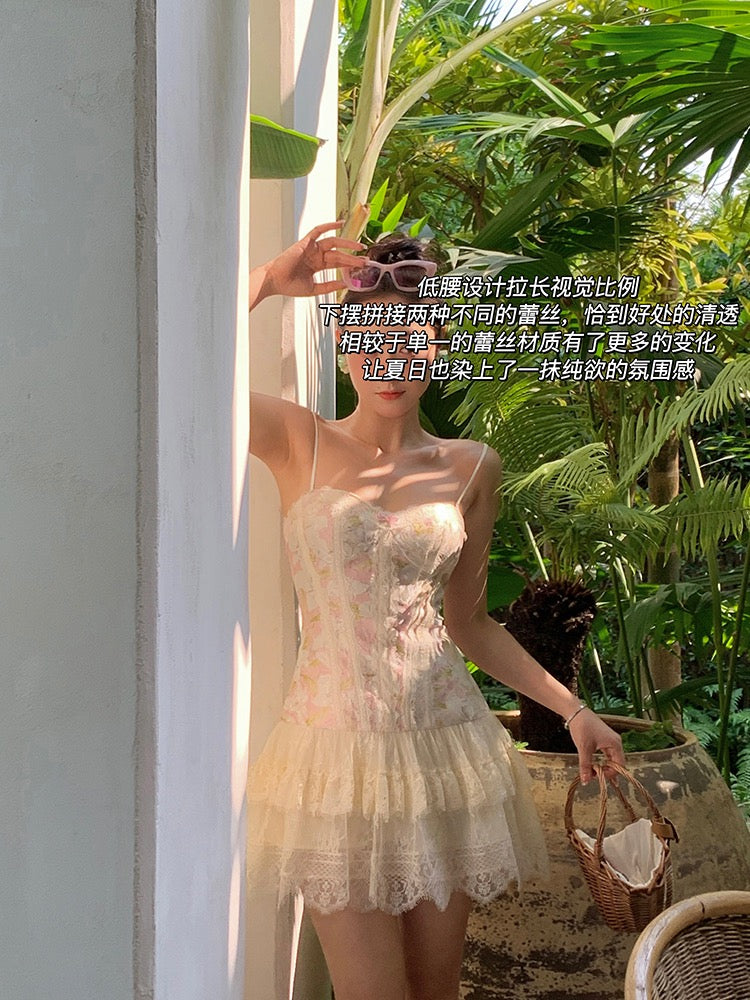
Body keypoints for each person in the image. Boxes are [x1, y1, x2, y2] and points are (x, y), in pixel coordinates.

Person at [247, 221, 626, 1000]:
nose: (391, 361)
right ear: (345, 343)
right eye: (373, 337)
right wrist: (267, 282)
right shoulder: (296, 440)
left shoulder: (471, 467)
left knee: (436, 991)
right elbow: (176, 369)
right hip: (334, 759)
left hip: (444, 752)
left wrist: (575, 710)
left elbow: (469, 623)